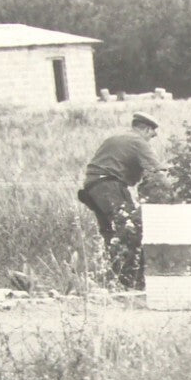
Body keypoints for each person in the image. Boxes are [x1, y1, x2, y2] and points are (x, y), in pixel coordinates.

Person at [78, 111, 162, 290]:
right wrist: (176, 194)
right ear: (146, 129)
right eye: (152, 134)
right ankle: (131, 282)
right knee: (131, 229)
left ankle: (115, 279)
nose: (152, 138)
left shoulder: (116, 137)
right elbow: (158, 172)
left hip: (93, 187)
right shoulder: (138, 142)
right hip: (109, 186)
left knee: (110, 234)